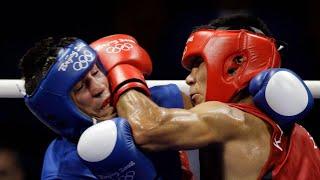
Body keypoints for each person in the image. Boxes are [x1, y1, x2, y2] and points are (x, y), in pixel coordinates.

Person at [90, 14, 319, 179]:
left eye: (198, 64)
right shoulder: (297, 133)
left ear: (235, 63)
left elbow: (147, 128)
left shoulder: (231, 119)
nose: (189, 79)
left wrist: (121, 69)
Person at [19, 37, 188, 179]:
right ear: (60, 109)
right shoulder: (64, 170)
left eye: (96, 72)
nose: (99, 88)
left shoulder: (161, 101)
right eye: (80, 87)